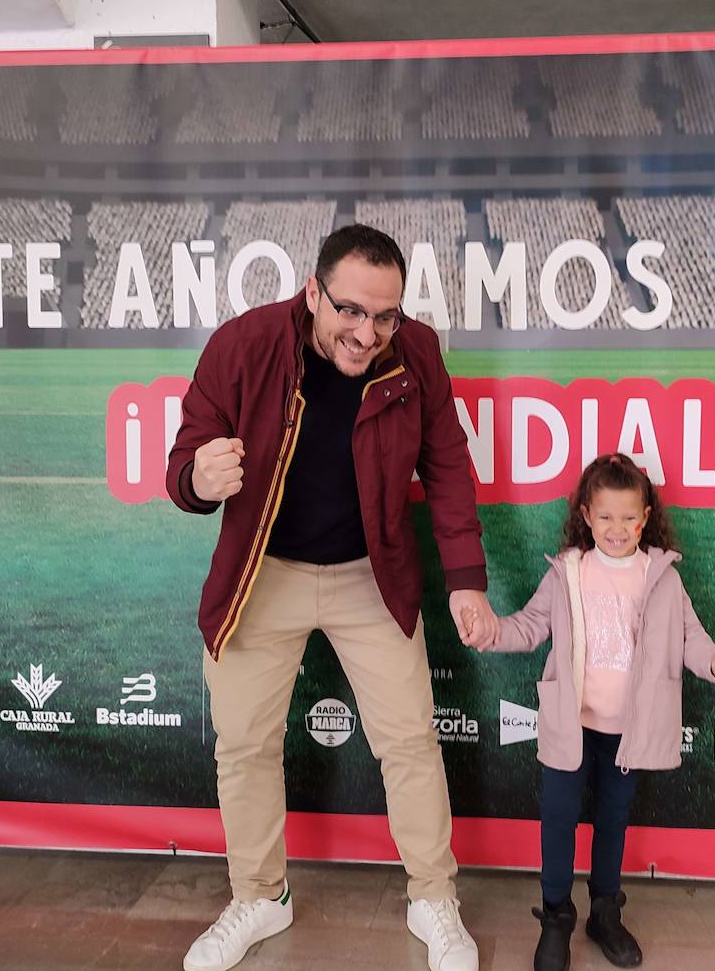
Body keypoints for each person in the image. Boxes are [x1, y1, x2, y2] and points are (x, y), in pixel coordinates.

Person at [166, 224, 496, 971]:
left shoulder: (415, 355)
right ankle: (260, 894)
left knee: (410, 739)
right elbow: (186, 456)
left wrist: (467, 580)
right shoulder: (244, 344)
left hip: (368, 572)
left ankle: (432, 897)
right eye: (349, 310)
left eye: (385, 316)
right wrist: (195, 479)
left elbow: (447, 467)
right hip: (263, 571)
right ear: (313, 292)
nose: (367, 332)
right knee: (244, 743)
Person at [462, 453, 715, 971]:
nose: (618, 528)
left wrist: (714, 663)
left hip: (627, 734)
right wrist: (491, 632)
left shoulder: (662, 577)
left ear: (647, 515)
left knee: (612, 821)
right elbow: (529, 627)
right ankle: (556, 919)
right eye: (606, 516)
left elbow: (690, 637)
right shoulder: (568, 573)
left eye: (629, 517)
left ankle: (605, 913)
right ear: (587, 516)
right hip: (572, 727)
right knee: (559, 819)